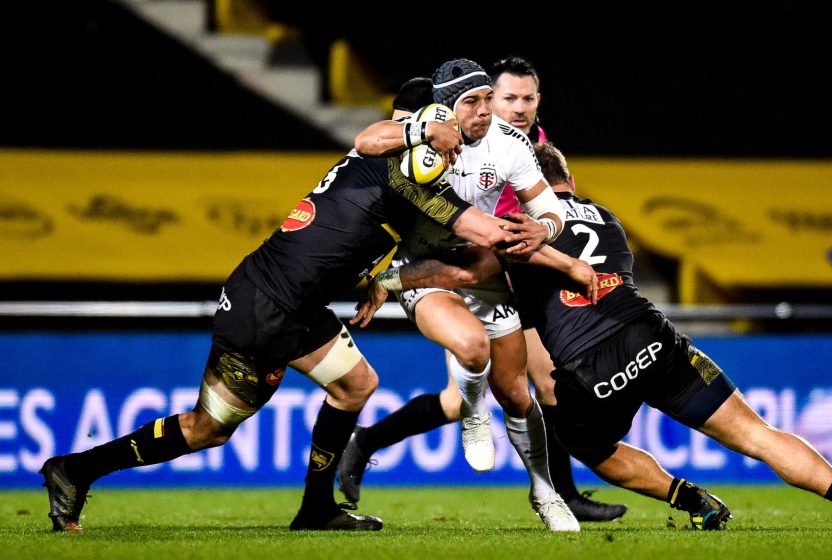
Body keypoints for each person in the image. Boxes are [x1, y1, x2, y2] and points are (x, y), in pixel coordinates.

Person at [36, 125, 592, 533]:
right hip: (266, 305)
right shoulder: (406, 173)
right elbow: (484, 234)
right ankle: (76, 468)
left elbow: (368, 168)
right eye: (454, 120)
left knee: (355, 385)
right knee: (209, 428)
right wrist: (565, 257)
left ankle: (316, 508)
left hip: (292, 303)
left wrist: (376, 279)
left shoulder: (379, 160)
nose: (454, 147)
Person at [354, 142, 832, 531]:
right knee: (757, 434)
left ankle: (691, 499)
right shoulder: (609, 217)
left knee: (592, 450)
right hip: (653, 334)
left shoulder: (517, 228)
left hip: (591, 365)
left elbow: (465, 274)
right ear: (571, 182)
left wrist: (394, 277)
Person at [340, 57, 627, 522]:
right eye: (495, 98)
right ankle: (498, 433)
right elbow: (366, 142)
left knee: (516, 392)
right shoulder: (426, 134)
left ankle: (548, 493)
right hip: (432, 266)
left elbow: (549, 211)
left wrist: (546, 230)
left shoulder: (517, 145)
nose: (502, 109)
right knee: (489, 361)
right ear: (448, 108)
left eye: (517, 99)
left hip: (500, 266)